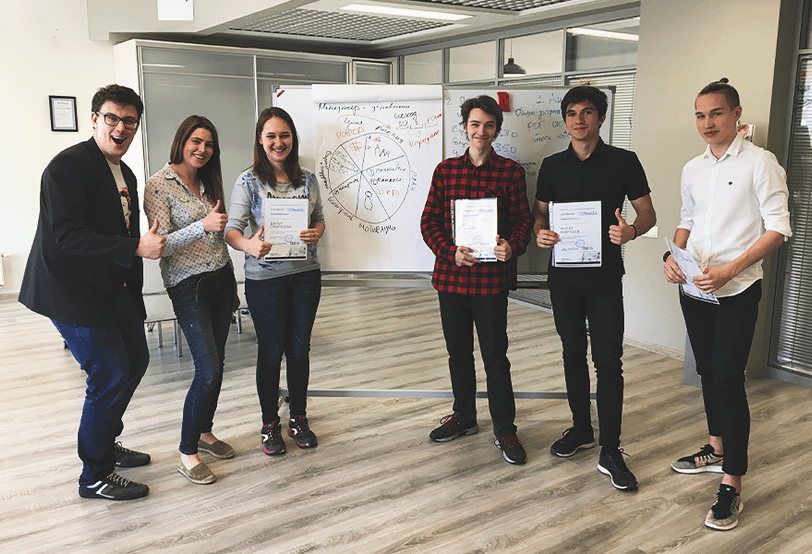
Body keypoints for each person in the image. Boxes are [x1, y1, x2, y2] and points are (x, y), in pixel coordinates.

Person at [19, 84, 166, 500]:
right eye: (112, 118)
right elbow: (67, 236)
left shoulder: (125, 172)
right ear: (94, 119)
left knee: (136, 361)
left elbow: (120, 230)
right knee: (110, 372)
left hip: (113, 288)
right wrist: (134, 248)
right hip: (70, 291)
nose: (121, 128)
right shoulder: (67, 167)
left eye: (129, 121)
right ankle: (95, 475)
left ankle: (104, 441)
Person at [664, 78, 791, 530]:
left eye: (716, 113)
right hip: (695, 288)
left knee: (728, 381)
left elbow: (778, 229)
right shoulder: (692, 168)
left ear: (736, 114)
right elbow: (687, 220)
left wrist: (731, 269)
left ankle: (732, 482)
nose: (707, 123)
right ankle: (716, 448)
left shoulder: (761, 163)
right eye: (700, 115)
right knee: (706, 372)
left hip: (737, 290)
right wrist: (672, 256)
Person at [533, 85, 656, 491]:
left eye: (587, 112)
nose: (579, 120)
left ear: (601, 117)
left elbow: (648, 213)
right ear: (565, 119)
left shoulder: (624, 161)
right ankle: (581, 429)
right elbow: (539, 215)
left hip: (604, 279)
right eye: (571, 113)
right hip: (563, 279)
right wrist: (540, 233)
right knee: (572, 354)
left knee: (608, 361)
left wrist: (631, 231)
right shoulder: (552, 165)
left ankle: (611, 448)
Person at [421, 95, 533, 465]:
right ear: (464, 127)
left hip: (491, 282)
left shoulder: (511, 173)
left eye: (488, 125)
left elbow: (523, 222)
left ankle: (505, 428)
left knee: (495, 357)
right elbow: (428, 222)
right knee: (458, 354)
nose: (480, 131)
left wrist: (512, 246)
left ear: (496, 129)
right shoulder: (445, 171)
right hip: (451, 279)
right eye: (474, 124)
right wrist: (448, 251)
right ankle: (465, 417)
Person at [226, 107, 324, 456]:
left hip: (305, 277)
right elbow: (231, 231)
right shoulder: (248, 181)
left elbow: (319, 218)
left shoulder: (308, 179)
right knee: (270, 352)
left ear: (293, 139)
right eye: (271, 136)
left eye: (285, 135)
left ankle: (298, 418)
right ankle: (270, 423)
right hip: (265, 281)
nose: (278, 142)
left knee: (299, 350)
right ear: (260, 140)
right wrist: (249, 245)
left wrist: (316, 232)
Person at [144, 115, 237, 485]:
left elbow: (217, 237)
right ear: (182, 141)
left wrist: (231, 281)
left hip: (221, 278)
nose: (202, 149)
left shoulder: (207, 181)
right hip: (188, 285)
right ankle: (187, 451)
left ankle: (204, 431)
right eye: (196, 141)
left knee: (219, 362)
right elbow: (160, 245)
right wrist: (203, 226)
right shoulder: (158, 185)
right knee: (207, 369)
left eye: (209, 144)